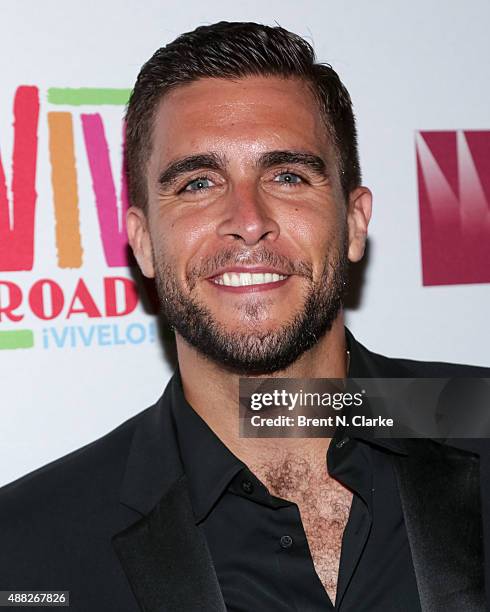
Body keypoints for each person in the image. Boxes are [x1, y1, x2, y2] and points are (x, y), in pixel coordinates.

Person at [1, 21, 489, 612]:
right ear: (144, 243)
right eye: (198, 183)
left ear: (355, 222)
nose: (248, 219)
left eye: (287, 176)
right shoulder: (25, 548)